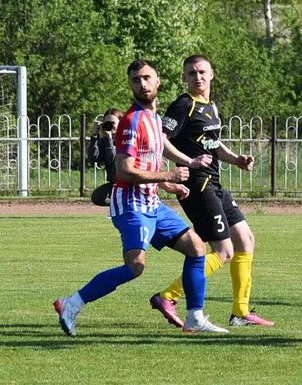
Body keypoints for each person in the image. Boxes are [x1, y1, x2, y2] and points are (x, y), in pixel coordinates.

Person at [54, 59, 229, 336]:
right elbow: (124, 170)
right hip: (131, 204)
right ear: (130, 85)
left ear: (158, 81)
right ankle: (71, 303)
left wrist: (179, 174)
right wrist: (168, 177)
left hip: (152, 203)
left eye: (147, 78)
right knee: (135, 266)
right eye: (136, 80)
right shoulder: (131, 121)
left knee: (196, 247)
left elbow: (157, 153)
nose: (142, 84)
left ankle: (194, 317)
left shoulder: (154, 119)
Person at [149, 54, 274, 328]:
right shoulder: (183, 106)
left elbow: (213, 145)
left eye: (202, 72)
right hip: (197, 186)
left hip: (215, 184)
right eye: (192, 73)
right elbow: (160, 141)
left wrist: (237, 159)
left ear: (212, 74)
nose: (198, 77)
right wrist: (185, 164)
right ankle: (167, 296)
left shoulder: (211, 106)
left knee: (246, 239)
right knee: (224, 251)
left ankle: (240, 312)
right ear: (184, 78)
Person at [88, 108, 123, 207]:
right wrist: (94, 136)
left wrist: (109, 139)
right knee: (98, 196)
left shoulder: (126, 139)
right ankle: (118, 204)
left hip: (128, 184)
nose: (110, 126)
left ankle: (125, 204)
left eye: (113, 122)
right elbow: (93, 157)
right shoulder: (104, 141)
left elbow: (113, 159)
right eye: (107, 123)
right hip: (114, 184)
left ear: (121, 123)